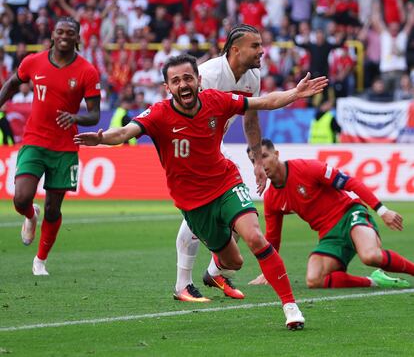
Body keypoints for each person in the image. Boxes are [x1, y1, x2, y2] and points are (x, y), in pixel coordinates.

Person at [75, 54, 328, 330]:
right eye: (176, 81)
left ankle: (290, 307)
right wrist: (101, 139)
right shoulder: (159, 114)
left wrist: (295, 93)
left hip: (226, 183)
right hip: (194, 203)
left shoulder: (216, 101)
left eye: (187, 78)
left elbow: (263, 102)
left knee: (255, 237)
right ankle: (213, 272)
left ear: (198, 81)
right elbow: (125, 133)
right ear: (167, 88)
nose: (183, 84)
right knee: (235, 261)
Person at [0, 17, 101, 276]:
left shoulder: (87, 71)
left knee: (54, 208)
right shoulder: (33, 61)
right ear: (53, 35)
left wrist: (76, 117)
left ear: (77, 37)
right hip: (34, 140)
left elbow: (94, 115)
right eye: (60, 31)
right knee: (21, 197)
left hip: (65, 147)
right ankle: (30, 215)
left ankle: (40, 260)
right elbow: (12, 83)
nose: (65, 36)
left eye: (70, 32)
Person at [174, 24, 267, 303]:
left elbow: (250, 119)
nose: (262, 51)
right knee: (203, 210)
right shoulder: (210, 75)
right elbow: (182, 112)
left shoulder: (253, 77)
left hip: (214, 146)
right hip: (191, 147)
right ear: (235, 50)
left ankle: (211, 273)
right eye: (256, 46)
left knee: (231, 214)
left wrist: (258, 161)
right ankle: (185, 284)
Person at [247, 139, 414, 289]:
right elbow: (273, 238)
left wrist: (382, 210)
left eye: (264, 156)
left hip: (350, 215)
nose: (260, 164)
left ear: (276, 154)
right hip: (328, 235)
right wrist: (268, 270)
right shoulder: (271, 198)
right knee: (314, 280)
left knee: (370, 256)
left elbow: (351, 182)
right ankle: (375, 281)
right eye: (254, 161)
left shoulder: (307, 168)